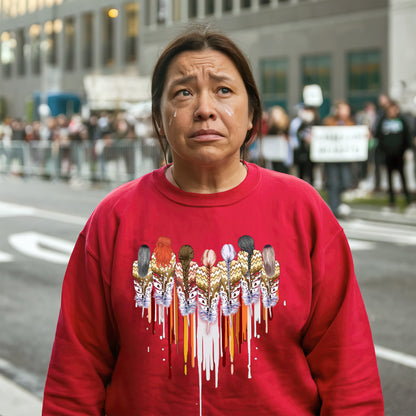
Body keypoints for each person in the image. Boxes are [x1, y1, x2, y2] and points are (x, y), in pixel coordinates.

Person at [42, 27, 384, 415]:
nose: (205, 108)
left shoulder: (302, 210)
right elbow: (75, 379)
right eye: (183, 92)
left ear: (252, 111)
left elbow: (349, 376)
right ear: (159, 116)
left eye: (223, 90)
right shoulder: (113, 219)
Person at [374, 100, 412, 207]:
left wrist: (407, 151)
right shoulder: (383, 121)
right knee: (389, 177)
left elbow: (407, 136)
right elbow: (378, 135)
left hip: (399, 154)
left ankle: (407, 198)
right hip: (387, 154)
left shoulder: (402, 121)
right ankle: (391, 199)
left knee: (403, 177)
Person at [322, 100, 355, 217]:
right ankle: (334, 207)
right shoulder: (329, 122)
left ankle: (338, 203)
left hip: (345, 159)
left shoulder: (351, 123)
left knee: (345, 182)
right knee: (333, 182)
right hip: (331, 159)